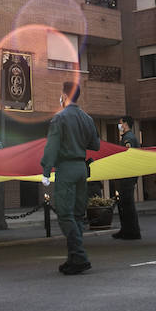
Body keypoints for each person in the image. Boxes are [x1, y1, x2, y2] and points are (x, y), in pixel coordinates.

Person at [41, 81, 100, 275]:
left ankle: (80, 257)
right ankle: (73, 259)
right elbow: (96, 145)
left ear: (64, 95)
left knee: (65, 214)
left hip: (66, 168)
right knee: (76, 215)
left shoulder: (60, 118)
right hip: (81, 167)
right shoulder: (87, 118)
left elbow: (52, 146)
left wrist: (46, 170)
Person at [112, 116, 141, 240]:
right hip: (127, 175)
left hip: (127, 176)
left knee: (127, 205)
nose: (119, 125)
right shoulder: (127, 138)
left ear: (126, 124)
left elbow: (129, 157)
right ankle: (126, 230)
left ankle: (132, 231)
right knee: (124, 204)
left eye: (120, 123)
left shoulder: (128, 139)